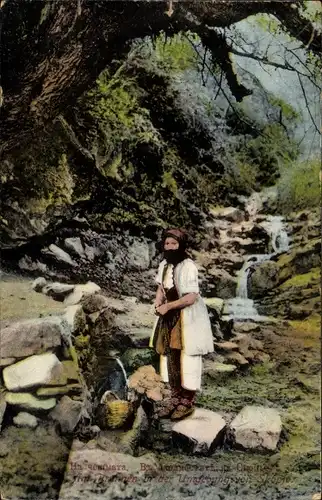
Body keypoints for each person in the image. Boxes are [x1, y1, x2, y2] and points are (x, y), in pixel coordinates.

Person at [149, 228, 214, 420]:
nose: (169, 247)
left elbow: (191, 297)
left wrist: (168, 306)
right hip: (169, 315)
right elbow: (160, 287)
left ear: (181, 245)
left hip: (187, 316)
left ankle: (187, 401)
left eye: (174, 244)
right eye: (167, 244)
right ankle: (174, 397)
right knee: (170, 353)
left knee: (188, 356)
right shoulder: (164, 265)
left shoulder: (188, 266)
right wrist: (158, 301)